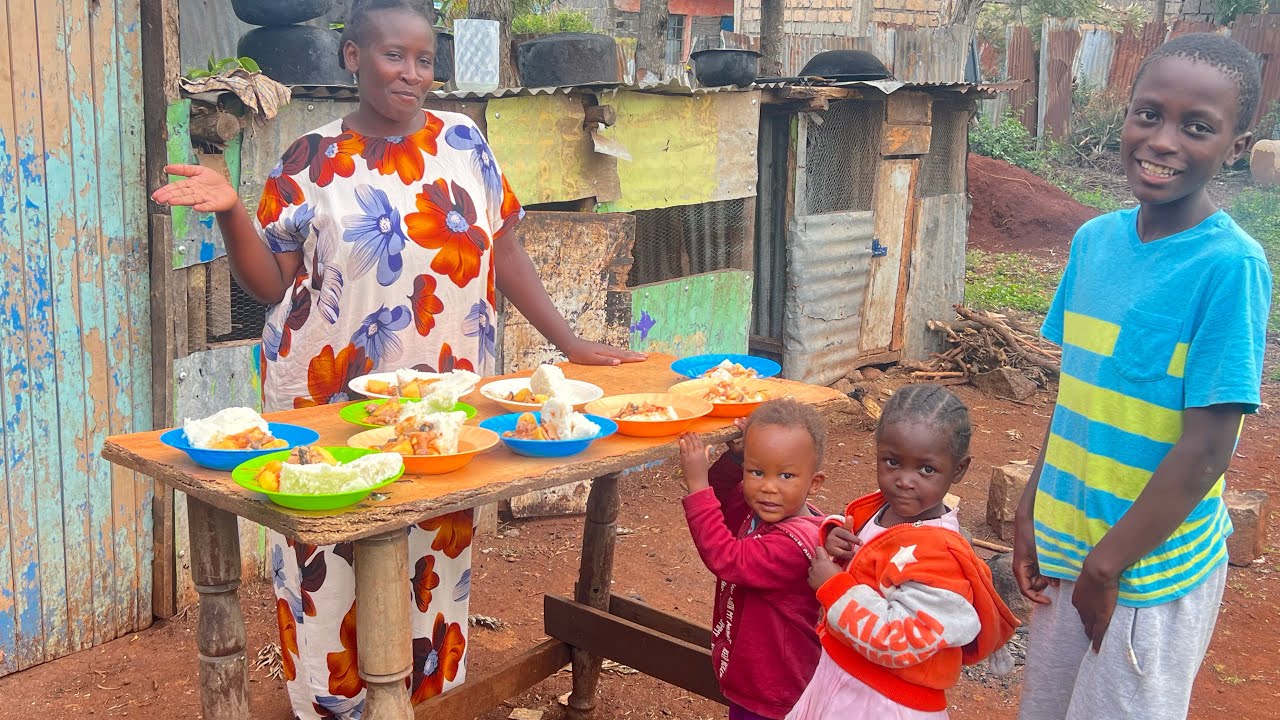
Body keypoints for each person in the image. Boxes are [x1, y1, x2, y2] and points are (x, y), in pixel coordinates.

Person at [151, 1, 642, 716]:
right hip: (326, 395)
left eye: (423, 60)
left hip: (446, 399)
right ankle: (332, 703)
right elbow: (268, 283)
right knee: (331, 555)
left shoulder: (466, 141)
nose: (410, 74)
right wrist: (231, 211)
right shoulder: (307, 159)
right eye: (392, 56)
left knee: (434, 547)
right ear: (353, 56)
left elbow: (503, 249)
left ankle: (424, 701)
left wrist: (567, 343)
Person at [1011, 33, 1270, 720]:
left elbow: (1209, 449)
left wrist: (1110, 563)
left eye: (1198, 127)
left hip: (1146, 570)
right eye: (1148, 114)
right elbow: (1078, 396)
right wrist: (1034, 501)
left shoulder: (1229, 267)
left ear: (1235, 148)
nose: (1163, 140)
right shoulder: (1093, 242)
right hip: (1072, 542)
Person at [790, 384, 1019, 720]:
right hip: (847, 678)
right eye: (892, 462)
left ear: (959, 470)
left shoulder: (941, 558)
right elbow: (868, 549)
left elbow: (900, 640)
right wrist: (835, 536)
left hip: (886, 702)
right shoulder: (881, 511)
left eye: (926, 469)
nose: (904, 480)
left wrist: (835, 589)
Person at [677, 399, 829, 720]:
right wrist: (735, 459)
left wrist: (696, 484)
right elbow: (725, 498)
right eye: (757, 471)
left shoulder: (795, 545)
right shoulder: (760, 514)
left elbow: (727, 558)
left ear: (814, 483)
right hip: (756, 680)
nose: (768, 488)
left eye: (786, 476)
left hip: (777, 693)